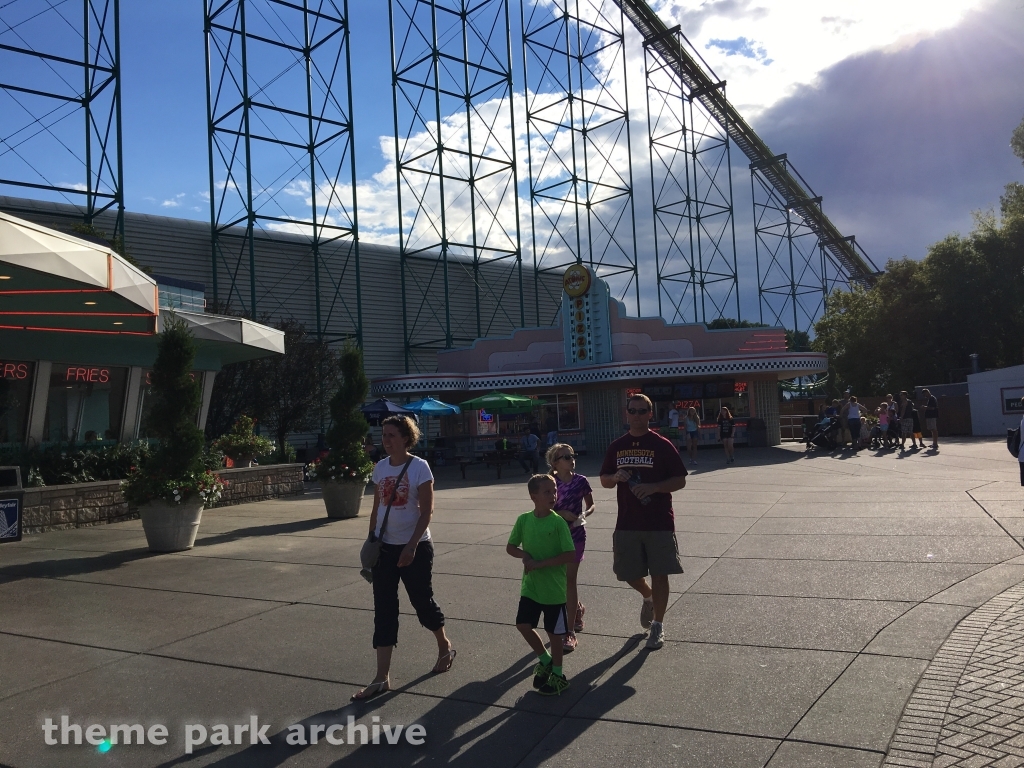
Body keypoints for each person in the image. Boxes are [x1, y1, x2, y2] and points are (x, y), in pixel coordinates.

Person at [351, 415, 455, 701]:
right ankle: (381, 677)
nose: (386, 440)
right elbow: (376, 508)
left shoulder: (420, 467)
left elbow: (426, 511)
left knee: (422, 602)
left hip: (416, 547)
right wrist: (372, 538)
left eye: (392, 435)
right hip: (384, 548)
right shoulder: (380, 467)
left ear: (406, 438)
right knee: (384, 609)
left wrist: (410, 547)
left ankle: (444, 644)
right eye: (383, 435)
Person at [600, 394, 688, 650]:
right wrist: (615, 477)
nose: (637, 415)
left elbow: (680, 480)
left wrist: (654, 487)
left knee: (661, 573)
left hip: (659, 521)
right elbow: (604, 480)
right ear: (626, 414)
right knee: (627, 573)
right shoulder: (617, 446)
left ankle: (658, 626)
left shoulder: (661, 444)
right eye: (633, 411)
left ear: (651, 414)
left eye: (642, 411)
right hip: (627, 521)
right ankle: (647, 596)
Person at [507, 474, 577, 696]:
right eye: (547, 492)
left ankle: (558, 675)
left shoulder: (557, 523)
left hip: (554, 591)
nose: (553, 495)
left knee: (554, 635)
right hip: (531, 587)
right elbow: (510, 547)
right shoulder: (524, 520)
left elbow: (570, 554)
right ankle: (545, 660)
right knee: (523, 625)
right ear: (533, 496)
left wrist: (542, 563)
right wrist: (525, 555)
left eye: (554, 491)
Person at [546, 444, 595, 653]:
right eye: (565, 457)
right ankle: (577, 609)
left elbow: (591, 504)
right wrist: (561, 514)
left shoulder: (581, 481)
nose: (571, 459)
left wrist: (585, 515)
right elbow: (543, 507)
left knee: (569, 580)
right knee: (559, 580)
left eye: (572, 455)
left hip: (575, 535)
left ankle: (569, 632)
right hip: (555, 535)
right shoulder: (550, 483)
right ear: (555, 463)